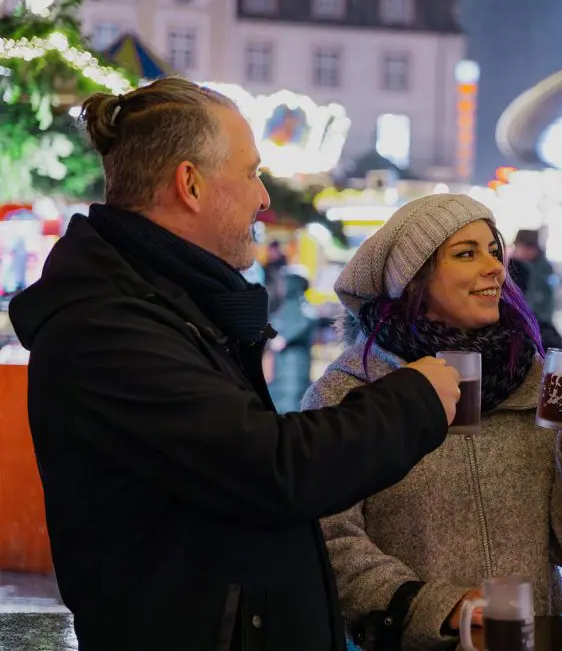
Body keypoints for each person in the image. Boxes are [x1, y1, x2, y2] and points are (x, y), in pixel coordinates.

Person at [7, 77, 461, 651]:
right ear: (190, 184)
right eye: (250, 173)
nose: (264, 197)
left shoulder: (170, 301)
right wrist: (414, 397)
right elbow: (271, 468)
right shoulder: (109, 327)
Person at [302, 194, 562, 650]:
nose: (494, 267)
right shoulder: (350, 395)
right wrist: (443, 609)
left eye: (494, 250)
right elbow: (328, 540)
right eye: (466, 253)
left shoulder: (538, 382)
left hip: (534, 640)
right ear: (413, 281)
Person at [267, 265, 318, 413]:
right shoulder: (283, 309)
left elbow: (280, 340)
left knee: (291, 406)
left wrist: (282, 337)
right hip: (279, 373)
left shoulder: (304, 310)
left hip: (294, 373)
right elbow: (271, 332)